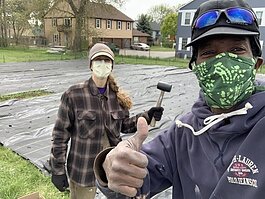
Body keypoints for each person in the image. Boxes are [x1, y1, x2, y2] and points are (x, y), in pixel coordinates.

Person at [93, 0, 265, 198]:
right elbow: (131, 182)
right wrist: (110, 166)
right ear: (196, 68)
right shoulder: (182, 133)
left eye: (236, 50)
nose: (222, 61)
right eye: (209, 52)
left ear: (256, 64)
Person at [49, 43, 164, 199]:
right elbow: (60, 135)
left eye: (107, 60)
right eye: (98, 60)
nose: (102, 64)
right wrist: (58, 169)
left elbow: (124, 125)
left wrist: (146, 116)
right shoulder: (74, 95)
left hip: (112, 170)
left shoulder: (118, 98)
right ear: (91, 65)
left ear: (112, 65)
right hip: (83, 171)